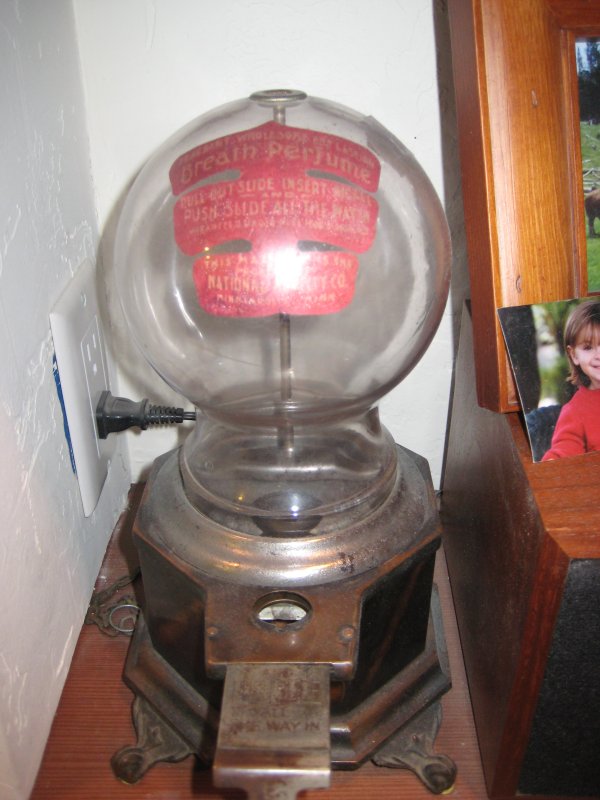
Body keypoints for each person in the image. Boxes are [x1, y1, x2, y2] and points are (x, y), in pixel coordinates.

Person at [542, 300, 600, 460]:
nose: (598, 355)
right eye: (588, 347)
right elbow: (563, 453)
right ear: (574, 355)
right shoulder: (575, 411)